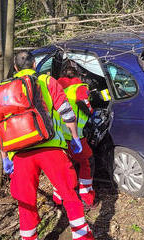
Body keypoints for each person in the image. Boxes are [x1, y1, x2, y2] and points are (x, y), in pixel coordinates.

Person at [2, 51, 99, 240]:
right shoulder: (47, 81)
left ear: (15, 68)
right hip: (50, 147)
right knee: (70, 196)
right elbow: (66, 112)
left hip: (20, 153)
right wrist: (73, 137)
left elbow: (0, 126)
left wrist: (5, 156)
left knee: (25, 202)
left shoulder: (6, 88)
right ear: (35, 64)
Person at [52, 60, 96, 209]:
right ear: (78, 73)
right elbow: (88, 110)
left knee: (63, 169)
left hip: (57, 139)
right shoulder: (80, 89)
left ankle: (58, 200)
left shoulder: (53, 87)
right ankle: (87, 198)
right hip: (75, 137)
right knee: (87, 163)